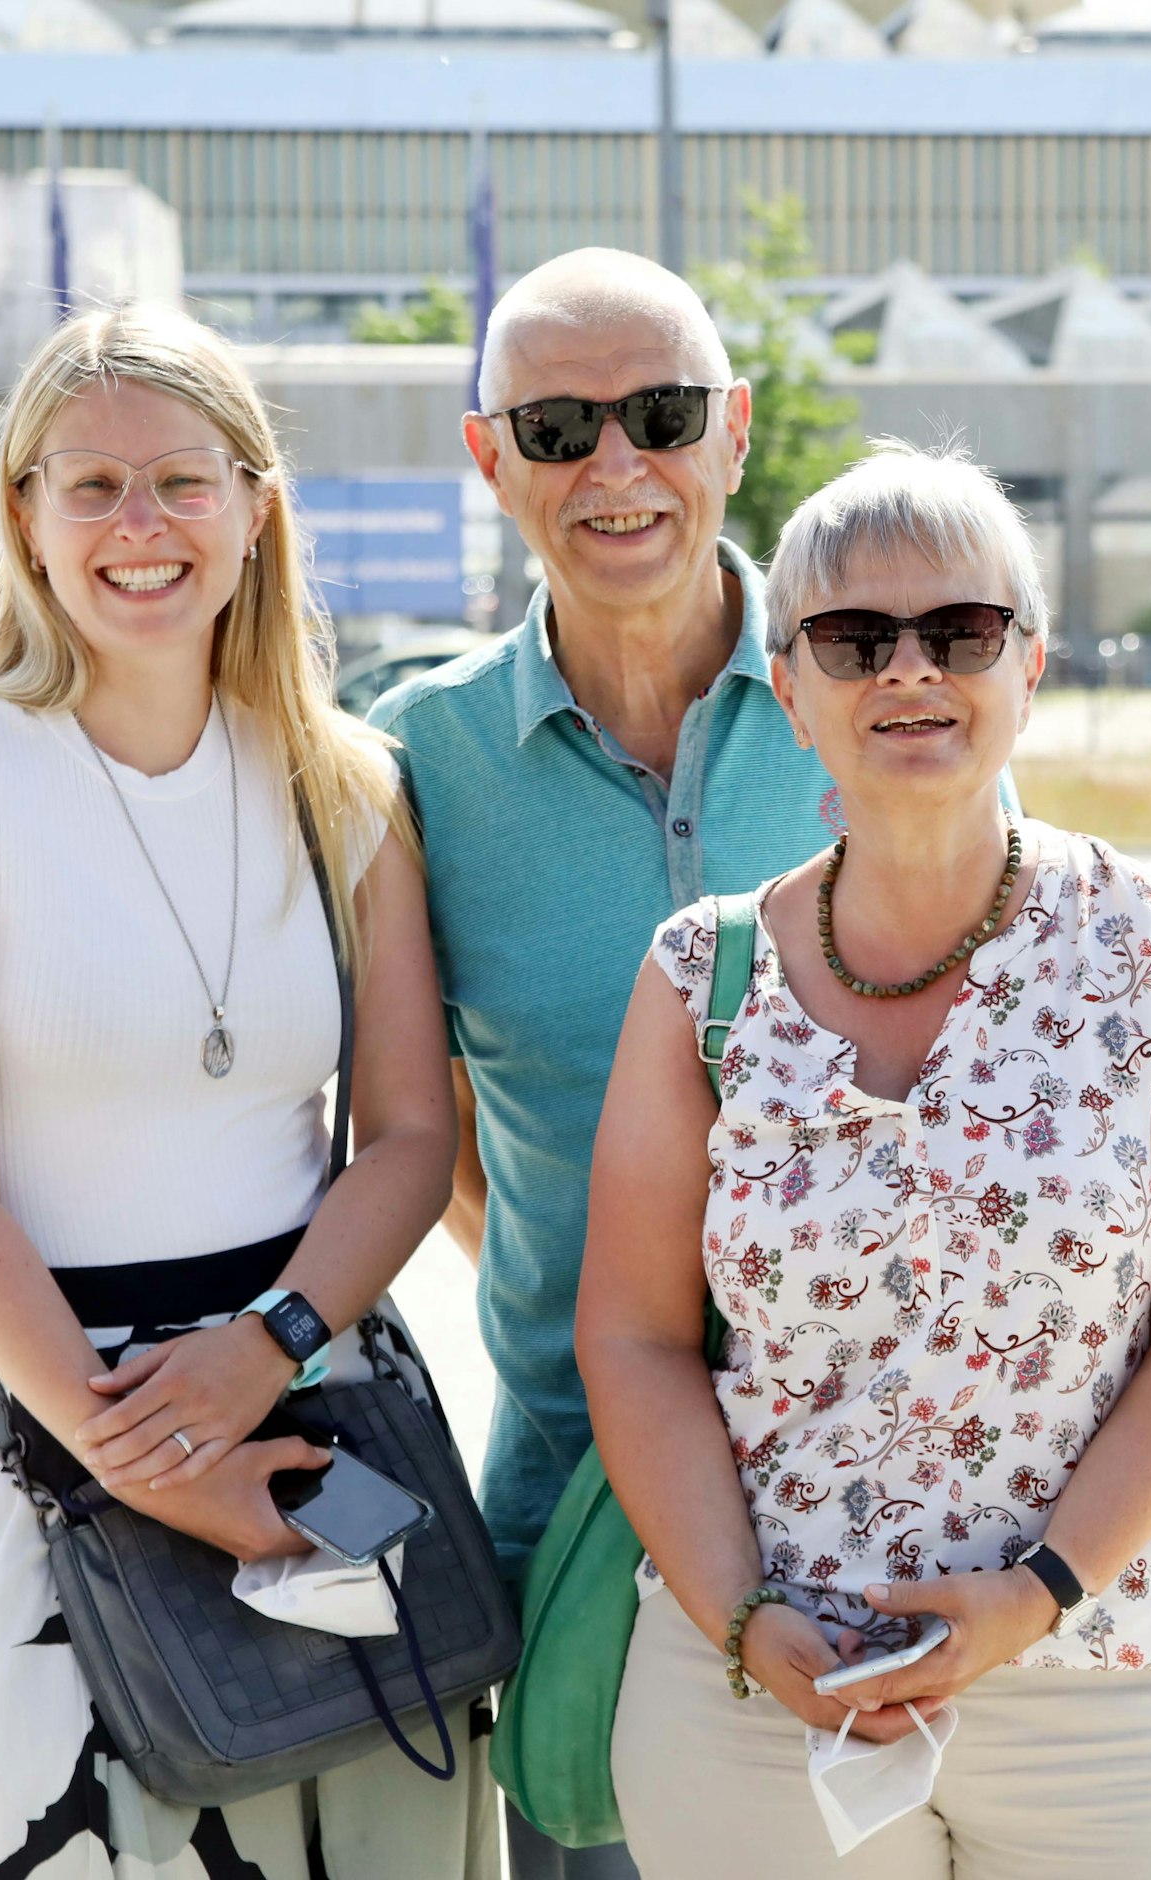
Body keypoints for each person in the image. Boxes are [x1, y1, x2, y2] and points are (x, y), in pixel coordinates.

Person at [369, 251, 1012, 1879]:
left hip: (922, 1505)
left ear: (730, 433)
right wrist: (616, 1305)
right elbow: (416, 1125)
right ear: (488, 456)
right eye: (558, 426)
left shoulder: (890, 682)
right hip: (584, 1515)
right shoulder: (411, 764)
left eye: (657, 414)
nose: (613, 466)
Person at [0, 307, 490, 1878]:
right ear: (26, 516)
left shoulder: (351, 784)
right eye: (92, 485)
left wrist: (271, 1348)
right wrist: (150, 1466)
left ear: (258, 508)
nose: (141, 527)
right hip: (65, 1410)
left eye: (184, 483)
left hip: (320, 1382)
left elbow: (410, 1136)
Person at [579, 441, 1151, 1879]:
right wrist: (735, 1618)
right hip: (770, 1691)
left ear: (1028, 669)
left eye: (961, 631)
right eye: (853, 638)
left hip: (1120, 1674)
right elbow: (637, 1337)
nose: (910, 670)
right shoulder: (698, 975)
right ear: (788, 689)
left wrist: (1038, 1593)